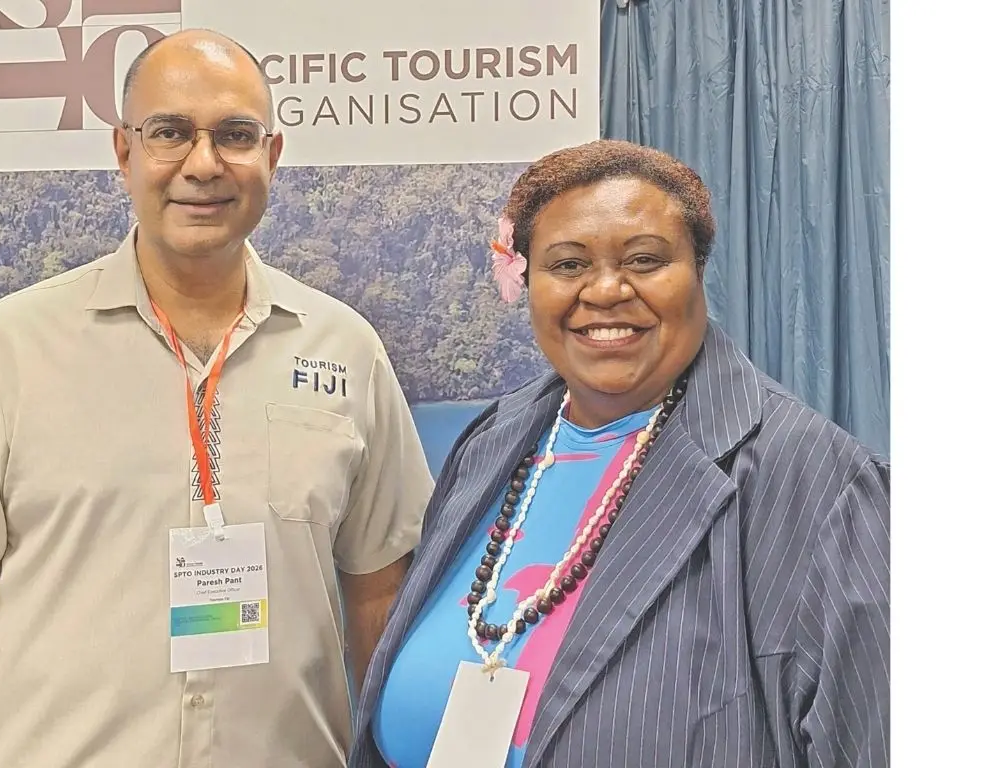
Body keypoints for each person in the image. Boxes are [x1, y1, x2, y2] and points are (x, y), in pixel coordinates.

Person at [0, 29, 433, 768]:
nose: (203, 165)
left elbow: (381, 599)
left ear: (271, 156)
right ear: (124, 152)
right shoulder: (6, 349)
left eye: (236, 135)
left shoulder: (346, 351)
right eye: (169, 133)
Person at [350, 140, 889, 768]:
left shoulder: (816, 483)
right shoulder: (494, 441)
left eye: (644, 259)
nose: (605, 290)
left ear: (698, 271)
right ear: (529, 280)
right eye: (568, 264)